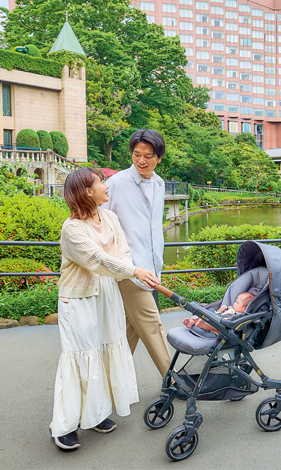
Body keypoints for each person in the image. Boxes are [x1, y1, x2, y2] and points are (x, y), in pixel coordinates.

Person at [49, 168, 161, 451]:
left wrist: (130, 268)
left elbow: (122, 253)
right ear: (87, 191)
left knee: (102, 353)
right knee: (80, 358)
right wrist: (134, 270)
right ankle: (64, 425)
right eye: (101, 183)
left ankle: (96, 414)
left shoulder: (109, 217)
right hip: (80, 300)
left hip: (108, 296)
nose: (106, 186)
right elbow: (97, 260)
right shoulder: (72, 228)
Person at [102, 129, 172, 377]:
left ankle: (110, 381)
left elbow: (154, 229)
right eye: (136, 154)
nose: (141, 160)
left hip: (153, 269)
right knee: (152, 326)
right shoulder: (115, 184)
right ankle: (176, 381)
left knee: (129, 330)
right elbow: (97, 223)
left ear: (159, 157)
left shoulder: (161, 184)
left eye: (148, 156)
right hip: (128, 270)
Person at [183, 292, 255, 334]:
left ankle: (202, 325)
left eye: (237, 303)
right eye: (235, 301)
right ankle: (190, 322)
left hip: (221, 328)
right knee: (201, 314)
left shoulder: (240, 317)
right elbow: (218, 313)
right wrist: (221, 309)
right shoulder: (231, 309)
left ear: (245, 309)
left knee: (214, 326)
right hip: (215, 317)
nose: (234, 303)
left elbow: (230, 324)